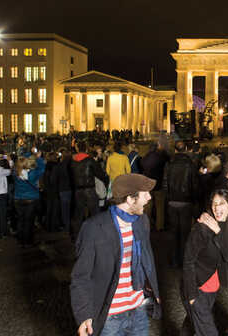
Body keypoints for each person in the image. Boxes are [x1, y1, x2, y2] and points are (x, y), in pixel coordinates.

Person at [71, 174, 161, 336]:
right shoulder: (94, 227)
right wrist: (83, 315)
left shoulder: (142, 221)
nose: (149, 197)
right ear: (129, 199)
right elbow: (80, 276)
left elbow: (147, 261)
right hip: (110, 316)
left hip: (138, 309)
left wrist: (154, 291)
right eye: (144, 193)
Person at [181, 189, 228, 336]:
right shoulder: (201, 228)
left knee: (193, 323)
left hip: (212, 287)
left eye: (222, 203)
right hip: (196, 287)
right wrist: (192, 296)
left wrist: (218, 232)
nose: (217, 208)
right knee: (208, 330)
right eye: (214, 204)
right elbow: (188, 262)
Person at [163, 140, 200, 267]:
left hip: (172, 201)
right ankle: (184, 260)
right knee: (185, 233)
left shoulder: (169, 164)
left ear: (175, 150)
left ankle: (174, 260)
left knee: (173, 233)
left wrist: (167, 198)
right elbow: (194, 185)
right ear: (185, 149)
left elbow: (165, 183)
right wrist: (195, 200)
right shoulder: (190, 164)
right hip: (186, 202)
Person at [71, 140, 109, 241]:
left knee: (78, 214)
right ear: (86, 149)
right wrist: (106, 181)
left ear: (77, 149)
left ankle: (76, 236)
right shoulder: (90, 160)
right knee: (95, 213)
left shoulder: (72, 161)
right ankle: (96, 235)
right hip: (89, 189)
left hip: (78, 190)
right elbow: (100, 174)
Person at [13, 153, 46, 247]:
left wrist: (27, 154)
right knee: (28, 221)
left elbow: (19, 161)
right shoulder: (33, 173)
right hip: (30, 199)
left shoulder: (15, 173)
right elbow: (42, 167)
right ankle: (28, 241)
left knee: (20, 220)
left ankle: (20, 241)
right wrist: (37, 156)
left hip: (18, 199)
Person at [141, 142, 170, 231]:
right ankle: (159, 226)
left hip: (148, 186)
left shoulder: (145, 158)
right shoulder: (160, 158)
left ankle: (146, 225)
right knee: (160, 207)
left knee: (147, 207)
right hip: (158, 184)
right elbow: (168, 159)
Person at [56, 148, 73, 232]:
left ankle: (67, 226)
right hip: (71, 189)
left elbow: (55, 178)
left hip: (63, 189)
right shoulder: (73, 164)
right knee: (71, 208)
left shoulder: (60, 165)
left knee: (64, 209)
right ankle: (71, 225)